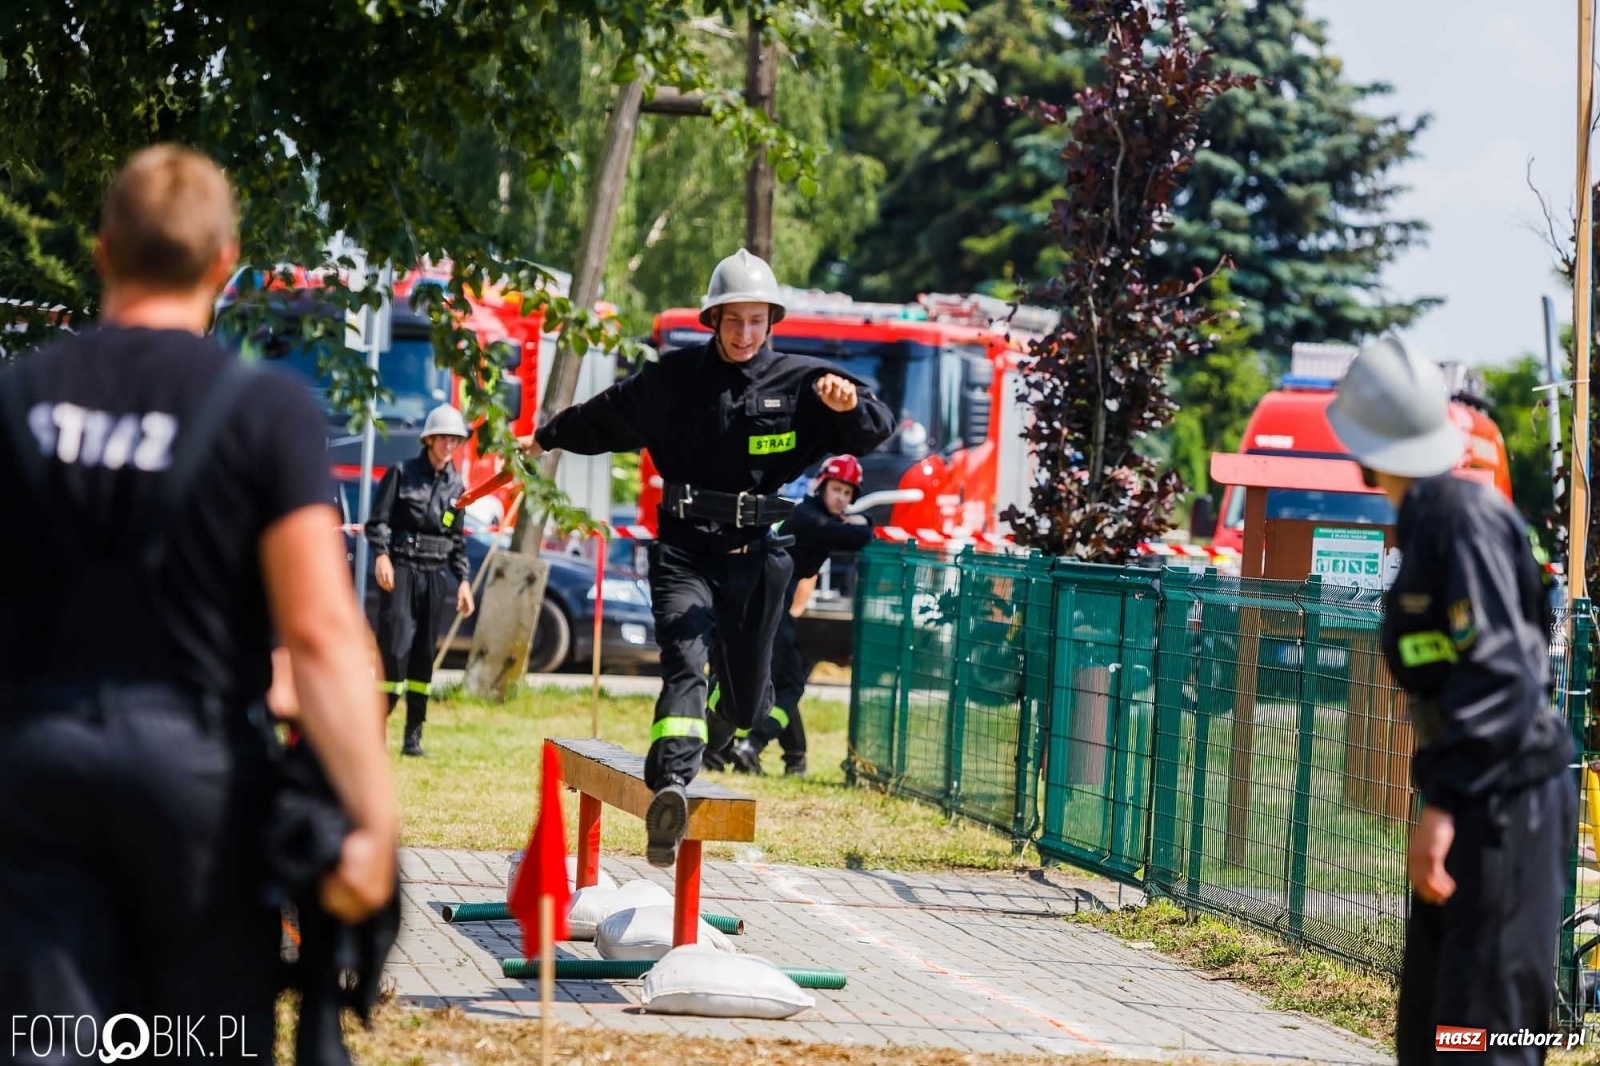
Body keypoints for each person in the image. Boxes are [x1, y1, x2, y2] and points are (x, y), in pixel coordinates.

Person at [0, 145, 397, 1053]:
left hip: (34, 772)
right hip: (200, 794)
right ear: (226, 262)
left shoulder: (16, 397)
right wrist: (372, 824)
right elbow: (322, 634)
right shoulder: (266, 414)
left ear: (101, 253)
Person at [518, 247, 893, 866]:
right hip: (683, 550)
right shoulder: (674, 379)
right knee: (685, 660)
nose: (745, 334)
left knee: (749, 703)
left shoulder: (803, 383)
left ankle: (723, 728)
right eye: (733, 320)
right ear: (712, 320)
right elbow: (605, 415)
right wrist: (544, 436)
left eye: (756, 321)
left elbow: (874, 425)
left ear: (771, 322)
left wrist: (848, 406)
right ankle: (671, 785)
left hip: (758, 558)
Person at [1326, 337, 1575, 1065]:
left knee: (1482, 1037)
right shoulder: (1433, 518)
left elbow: (1501, 677)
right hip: (1474, 789)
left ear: (1362, 444)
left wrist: (1441, 806)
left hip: (1504, 800)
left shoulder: (1462, 519)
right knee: (1438, 1035)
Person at [728, 454, 874, 776]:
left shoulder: (808, 513)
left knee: (767, 681)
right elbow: (857, 537)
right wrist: (865, 524)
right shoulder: (810, 516)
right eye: (837, 489)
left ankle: (752, 750)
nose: (842, 498)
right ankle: (750, 745)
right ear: (822, 486)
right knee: (790, 684)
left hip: (765, 602)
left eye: (848, 493)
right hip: (768, 604)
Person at [366, 405, 476, 757]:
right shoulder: (401, 473)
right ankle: (374, 730)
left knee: (423, 657)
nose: (448, 444)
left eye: (454, 439)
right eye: (443, 437)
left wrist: (463, 580)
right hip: (401, 570)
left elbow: (457, 540)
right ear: (428, 439)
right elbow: (377, 522)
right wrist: (381, 555)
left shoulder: (457, 486)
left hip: (435, 574)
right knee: (394, 650)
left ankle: (413, 737)